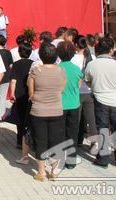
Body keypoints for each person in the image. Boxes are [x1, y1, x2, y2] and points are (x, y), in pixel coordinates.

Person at [84, 36, 116, 169]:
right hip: (115, 100)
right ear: (111, 50)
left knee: (102, 129)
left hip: (99, 99)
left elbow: (87, 81)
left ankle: (103, 159)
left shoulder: (91, 64)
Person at [27, 43, 66, 181]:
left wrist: (37, 98)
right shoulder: (61, 71)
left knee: (40, 140)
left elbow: (31, 92)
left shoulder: (36, 70)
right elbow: (62, 89)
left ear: (40, 55)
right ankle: (54, 171)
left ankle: (41, 172)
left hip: (38, 111)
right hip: (56, 110)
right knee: (56, 141)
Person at [57, 41, 83, 169]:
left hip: (59, 105)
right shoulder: (76, 69)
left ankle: (59, 159)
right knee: (72, 133)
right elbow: (79, 85)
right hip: (74, 104)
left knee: (59, 132)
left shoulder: (57, 69)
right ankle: (71, 160)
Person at [9, 41, 33, 164]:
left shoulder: (16, 64)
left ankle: (20, 141)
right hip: (30, 94)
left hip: (19, 94)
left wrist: (12, 94)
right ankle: (30, 142)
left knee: (20, 120)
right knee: (28, 119)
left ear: (19, 53)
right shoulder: (34, 64)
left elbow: (13, 80)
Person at [72, 35, 96, 149]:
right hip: (90, 91)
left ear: (76, 45)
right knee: (92, 120)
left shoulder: (73, 58)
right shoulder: (92, 57)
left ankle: (74, 144)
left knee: (75, 120)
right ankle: (94, 143)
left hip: (76, 92)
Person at [0, 35, 13, 120]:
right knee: (2, 97)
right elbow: (11, 65)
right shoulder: (8, 52)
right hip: (5, 77)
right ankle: (1, 116)